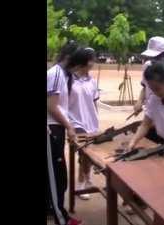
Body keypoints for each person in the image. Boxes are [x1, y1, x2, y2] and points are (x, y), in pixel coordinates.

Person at [47, 41, 83, 225]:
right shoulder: (55, 74)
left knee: (55, 175)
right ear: (68, 59)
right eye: (77, 63)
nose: (78, 68)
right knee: (56, 178)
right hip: (51, 129)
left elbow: (62, 106)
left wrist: (70, 126)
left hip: (57, 127)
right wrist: (69, 127)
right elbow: (52, 107)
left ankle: (52, 209)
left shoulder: (64, 74)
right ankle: (62, 219)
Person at [67, 47, 100, 200]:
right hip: (76, 122)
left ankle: (87, 178)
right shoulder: (69, 80)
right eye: (92, 60)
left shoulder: (92, 81)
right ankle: (81, 184)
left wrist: (96, 119)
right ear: (85, 61)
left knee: (89, 155)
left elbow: (94, 102)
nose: (94, 63)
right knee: (84, 153)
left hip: (91, 123)